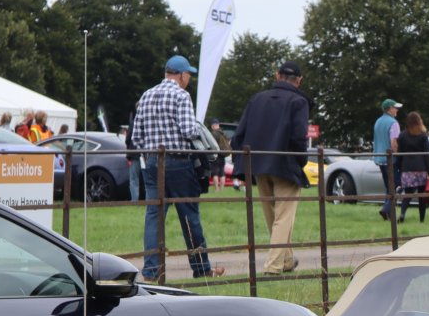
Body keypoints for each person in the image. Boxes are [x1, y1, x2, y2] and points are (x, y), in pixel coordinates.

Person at [129, 55, 223, 280]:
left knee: (154, 215)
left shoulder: (146, 95)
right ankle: (201, 268)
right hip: (179, 162)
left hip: (152, 162)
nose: (189, 78)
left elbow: (136, 137)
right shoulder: (182, 96)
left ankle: (151, 271)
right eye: (188, 74)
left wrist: (151, 152)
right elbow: (190, 131)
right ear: (181, 75)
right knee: (189, 216)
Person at [229, 60, 311, 275]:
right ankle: (273, 266)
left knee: (273, 217)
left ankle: (286, 260)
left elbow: (238, 135)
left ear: (277, 75)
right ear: (299, 80)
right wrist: (300, 161)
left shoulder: (257, 99)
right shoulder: (298, 101)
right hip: (285, 164)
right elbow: (299, 137)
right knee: (283, 218)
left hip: (258, 164)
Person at [395, 110, 429, 223]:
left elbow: (399, 154)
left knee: (408, 194)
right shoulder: (423, 136)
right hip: (421, 168)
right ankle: (422, 220)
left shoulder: (402, 135)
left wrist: (400, 167)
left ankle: (402, 214)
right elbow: (427, 155)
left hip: (407, 169)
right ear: (419, 121)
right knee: (422, 196)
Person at [373, 98, 402, 219]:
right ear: (390, 109)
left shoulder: (378, 121)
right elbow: (393, 142)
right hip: (391, 159)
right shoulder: (393, 123)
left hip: (379, 159)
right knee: (399, 185)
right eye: (396, 108)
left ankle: (389, 214)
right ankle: (386, 208)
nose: (397, 110)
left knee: (389, 187)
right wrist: (398, 155)